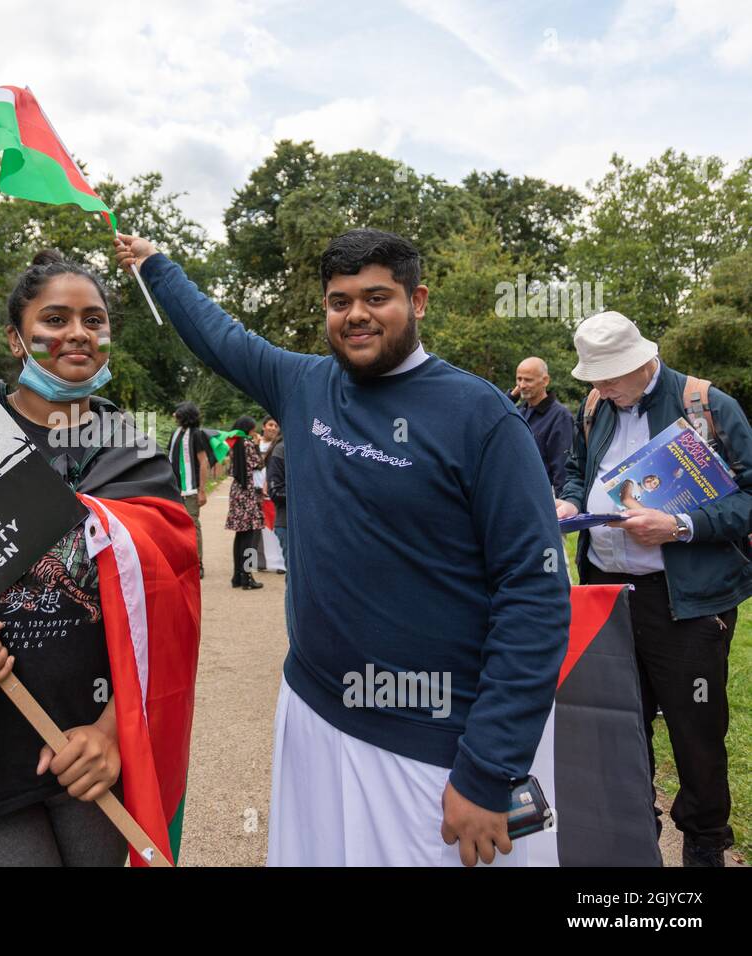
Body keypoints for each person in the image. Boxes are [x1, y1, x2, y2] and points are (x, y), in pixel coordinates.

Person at [116, 228, 569, 867]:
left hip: (433, 746)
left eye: (376, 296)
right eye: (339, 301)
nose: (355, 314)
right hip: (314, 714)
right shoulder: (304, 384)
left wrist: (490, 769)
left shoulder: (483, 417)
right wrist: (157, 265)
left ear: (419, 301)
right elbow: (218, 336)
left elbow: (536, 594)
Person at [0, 250, 200, 866]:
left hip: (95, 753)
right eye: (54, 319)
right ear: (15, 337)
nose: (77, 334)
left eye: (94, 320)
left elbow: (166, 615)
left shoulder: (134, 453)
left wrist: (111, 734)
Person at [555, 310, 752, 867]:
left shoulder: (706, 405)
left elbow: (748, 494)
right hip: (609, 598)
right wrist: (570, 501)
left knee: (696, 731)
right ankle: (634, 839)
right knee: (619, 725)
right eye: (593, 377)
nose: (600, 387)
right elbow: (576, 470)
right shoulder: (595, 407)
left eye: (611, 375)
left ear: (644, 360)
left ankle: (705, 845)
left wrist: (680, 527)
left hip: (684, 604)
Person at [510, 356, 574, 494]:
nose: (521, 385)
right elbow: (494, 413)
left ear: (545, 380)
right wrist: (512, 396)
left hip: (544, 498)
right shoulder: (519, 411)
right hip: (519, 494)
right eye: (519, 379)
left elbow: (562, 468)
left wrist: (562, 504)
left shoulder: (560, 416)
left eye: (528, 380)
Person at [168, 401, 211, 577]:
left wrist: (202, 490)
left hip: (191, 490)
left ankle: (197, 562)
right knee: (175, 526)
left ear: (184, 414)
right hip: (174, 489)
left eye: (177, 412)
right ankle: (180, 560)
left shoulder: (197, 435)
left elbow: (203, 462)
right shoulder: (175, 433)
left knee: (193, 525)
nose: (173, 415)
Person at [226, 415, 265, 589]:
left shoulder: (233, 443)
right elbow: (259, 464)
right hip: (248, 492)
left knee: (240, 535)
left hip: (237, 491)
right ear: (248, 429)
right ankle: (247, 577)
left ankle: (237, 575)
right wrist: (257, 444)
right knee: (250, 536)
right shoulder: (249, 444)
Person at [259, 417, 285, 574]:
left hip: (273, 492)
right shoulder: (256, 444)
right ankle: (261, 561)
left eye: (276, 425)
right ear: (263, 427)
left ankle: (280, 563)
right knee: (262, 531)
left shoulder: (281, 446)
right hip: (261, 493)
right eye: (270, 424)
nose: (273, 428)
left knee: (275, 527)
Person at [266, 427, 287, 569]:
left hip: (312, 525)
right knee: (295, 576)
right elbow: (275, 492)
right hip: (287, 524)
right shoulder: (281, 450)